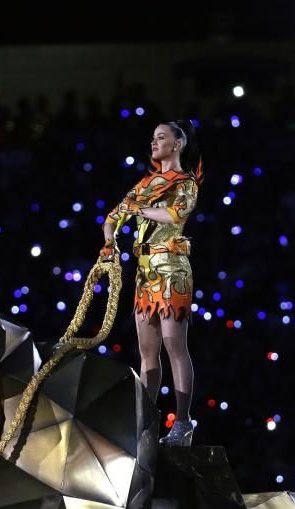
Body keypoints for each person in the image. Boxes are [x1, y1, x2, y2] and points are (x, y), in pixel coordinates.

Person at [99, 119, 204, 446]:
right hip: (145, 271)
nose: (155, 142)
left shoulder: (185, 183)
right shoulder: (146, 183)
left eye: (162, 137)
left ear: (178, 144)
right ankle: (146, 423)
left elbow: (175, 215)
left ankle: (183, 421)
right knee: (147, 351)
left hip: (172, 266)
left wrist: (140, 209)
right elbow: (114, 216)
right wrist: (109, 240)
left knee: (174, 343)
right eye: (153, 138)